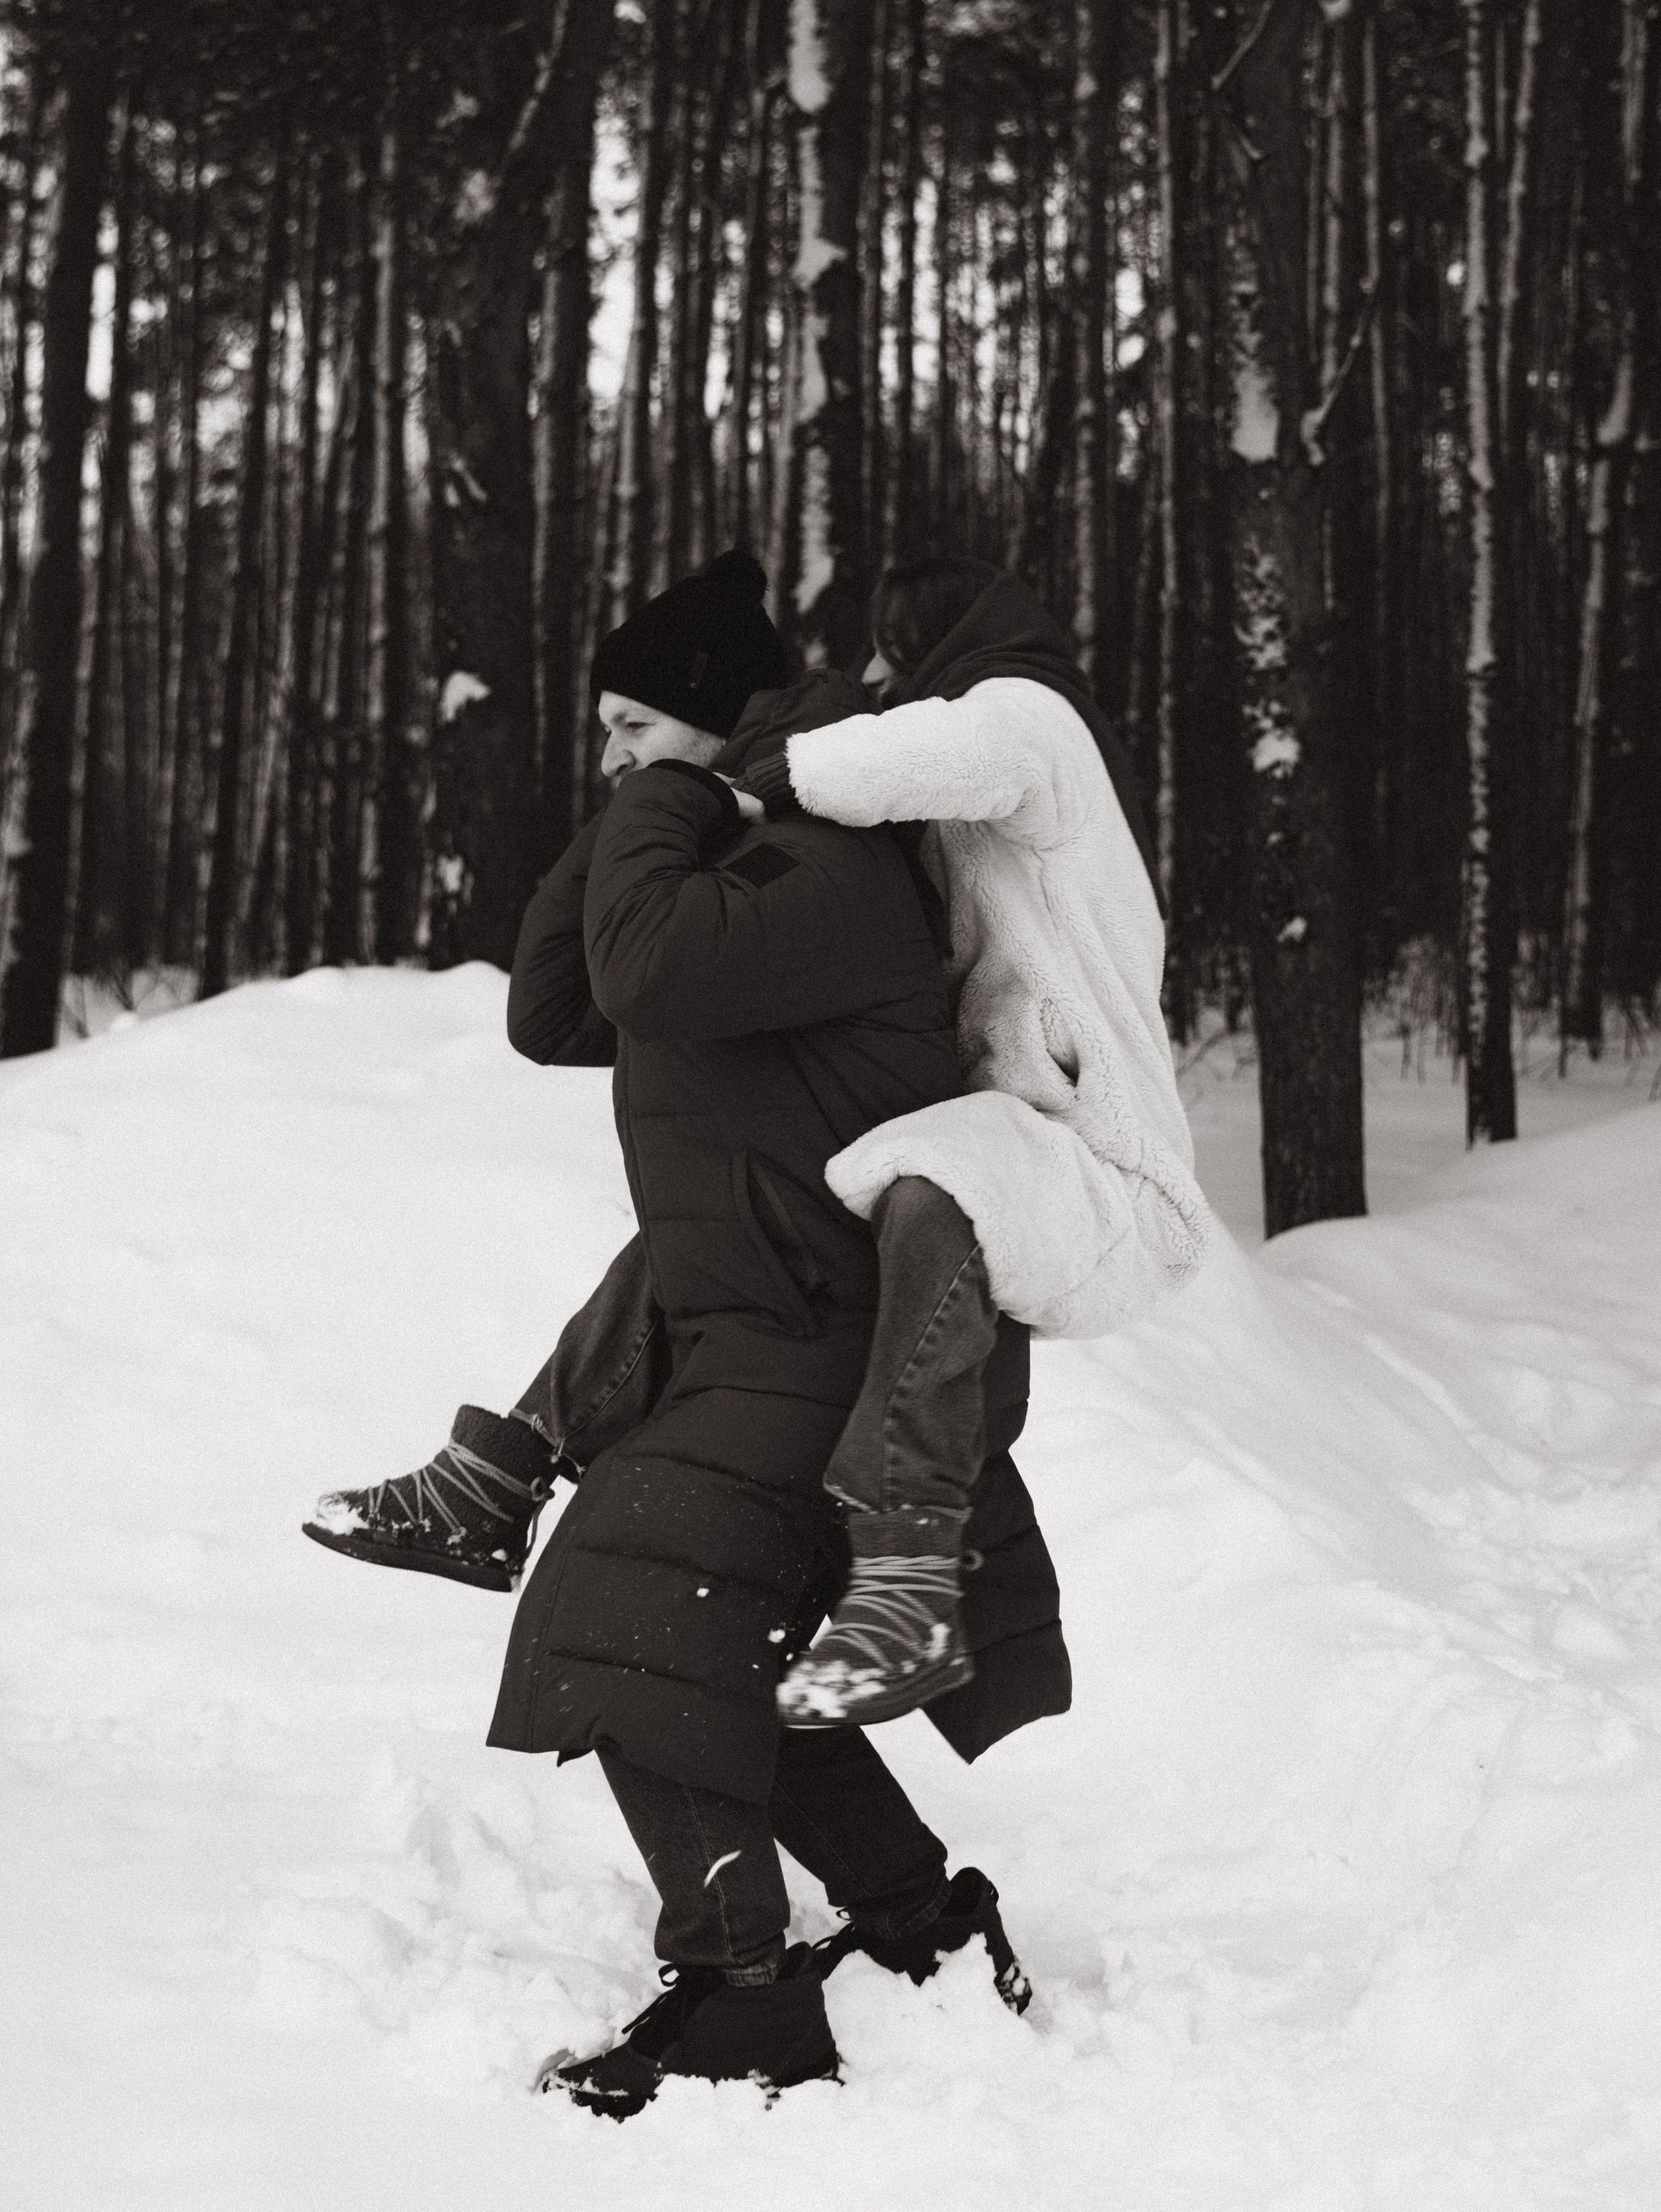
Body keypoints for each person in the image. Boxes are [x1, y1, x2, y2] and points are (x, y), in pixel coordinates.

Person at [309, 550, 1068, 2114]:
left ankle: (741, 1995)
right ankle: (921, 1929)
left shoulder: (829, 866)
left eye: (632, 724)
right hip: (746, 1333)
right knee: (716, 1651)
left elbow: (645, 964)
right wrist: (660, 797)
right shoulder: (736, 853)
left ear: (723, 721)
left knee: (624, 1626)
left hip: (833, 1340)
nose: (609, 756)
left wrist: (681, 798)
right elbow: (554, 1008)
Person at [311, 554, 1202, 1731]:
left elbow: (931, 750)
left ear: (945, 649)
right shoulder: (935, 812)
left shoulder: (1030, 723)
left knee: (944, 1179)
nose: (875, 685)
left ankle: (908, 1583)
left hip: (1103, 1166)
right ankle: (501, 1472)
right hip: (998, 1136)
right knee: (726, 1212)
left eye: (890, 662)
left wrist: (754, 771)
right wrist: (662, 803)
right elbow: (564, 1010)